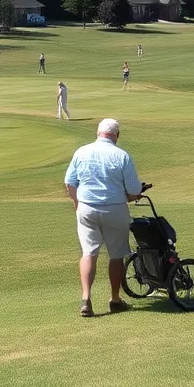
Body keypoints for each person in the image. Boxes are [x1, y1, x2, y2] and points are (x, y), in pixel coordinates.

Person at [64, 118, 142, 317]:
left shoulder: (81, 151)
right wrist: (132, 195)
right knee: (116, 255)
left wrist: (76, 204)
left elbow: (70, 183)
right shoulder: (121, 155)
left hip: (86, 208)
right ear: (117, 135)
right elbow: (134, 190)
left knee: (89, 252)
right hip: (115, 209)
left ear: (98, 133)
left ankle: (86, 298)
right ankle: (115, 299)